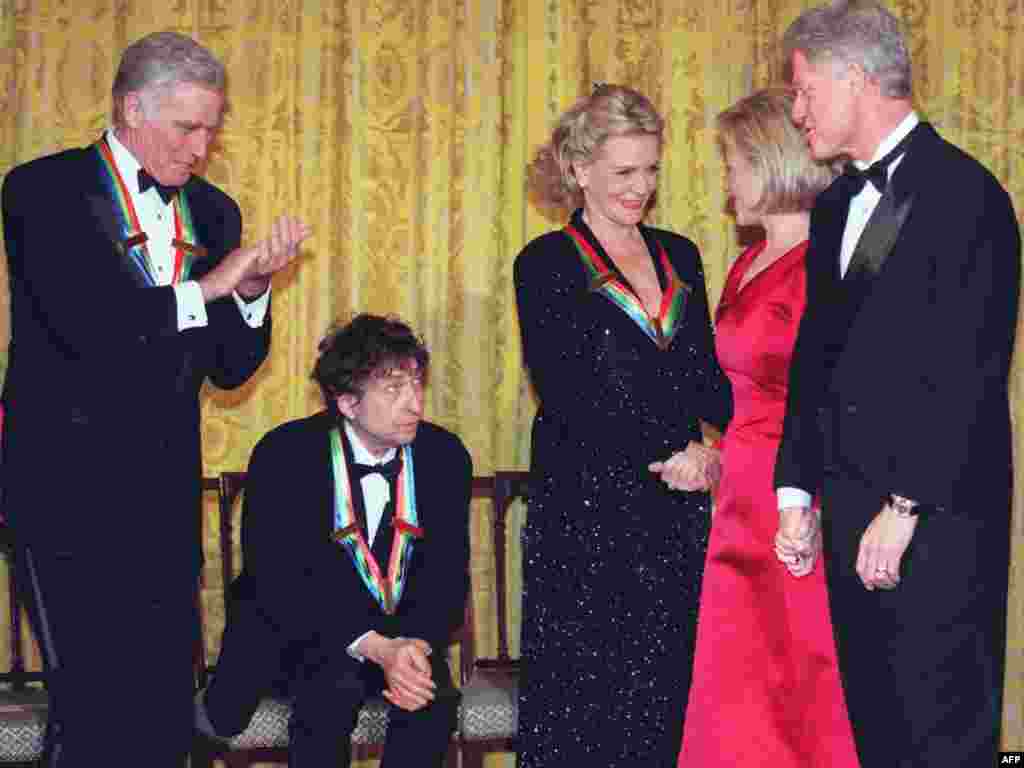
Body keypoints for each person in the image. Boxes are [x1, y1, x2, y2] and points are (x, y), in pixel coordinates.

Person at [0, 31, 310, 766]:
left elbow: (232, 369)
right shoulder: (40, 189)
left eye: (211, 128)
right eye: (187, 127)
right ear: (132, 106)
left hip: (164, 498)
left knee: (165, 709)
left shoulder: (215, 211)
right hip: (61, 490)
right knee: (92, 707)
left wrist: (255, 293)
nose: (201, 148)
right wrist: (207, 287)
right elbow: (86, 327)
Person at [772, 2, 1020, 766]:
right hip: (849, 517)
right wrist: (797, 493)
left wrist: (905, 505)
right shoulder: (836, 204)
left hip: (935, 524)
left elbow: (969, 369)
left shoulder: (969, 196)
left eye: (807, 88)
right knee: (878, 737)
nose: (797, 107)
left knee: (939, 741)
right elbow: (818, 357)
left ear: (855, 79)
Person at [514, 84, 733, 767]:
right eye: (623, 173)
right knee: (589, 712)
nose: (641, 188)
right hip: (587, 515)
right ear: (578, 170)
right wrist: (678, 451)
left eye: (651, 170)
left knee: (670, 700)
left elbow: (705, 377)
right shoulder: (545, 264)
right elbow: (571, 392)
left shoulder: (681, 255)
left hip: (674, 514)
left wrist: (759, 429)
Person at [196, 314, 471, 767]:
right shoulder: (286, 455)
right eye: (393, 390)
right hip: (302, 633)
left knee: (430, 699)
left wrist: (412, 647)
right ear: (347, 402)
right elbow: (281, 582)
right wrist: (374, 646)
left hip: (402, 636)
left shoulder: (444, 456)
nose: (415, 404)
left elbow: (446, 575)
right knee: (329, 691)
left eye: (417, 385)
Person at [677, 88, 859, 768]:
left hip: (797, 497)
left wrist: (808, 500)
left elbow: (838, 398)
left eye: (733, 166)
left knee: (801, 679)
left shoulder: (829, 266)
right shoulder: (743, 263)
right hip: (739, 494)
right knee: (739, 682)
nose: (727, 187)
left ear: (774, 161)